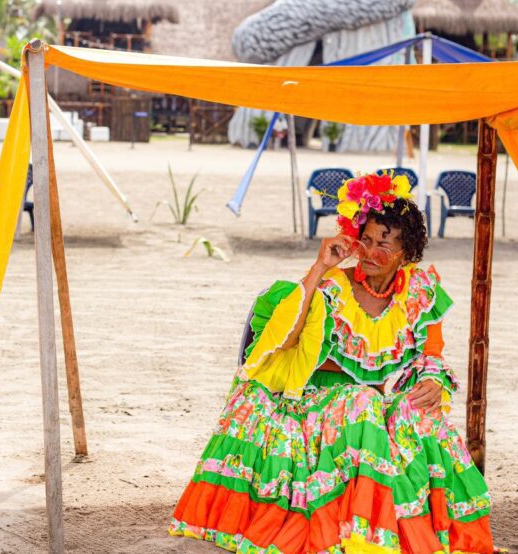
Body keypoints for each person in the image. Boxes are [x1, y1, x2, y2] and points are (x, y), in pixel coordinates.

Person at [169, 172, 492, 554]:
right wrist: (320, 267)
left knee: (422, 418)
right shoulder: (332, 287)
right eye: (366, 241)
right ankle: (360, 535)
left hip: (369, 407)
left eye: (384, 245)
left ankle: (405, 535)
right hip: (308, 401)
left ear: (407, 253)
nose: (370, 252)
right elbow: (287, 339)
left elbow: (431, 355)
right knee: (361, 403)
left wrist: (434, 384)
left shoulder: (419, 294)